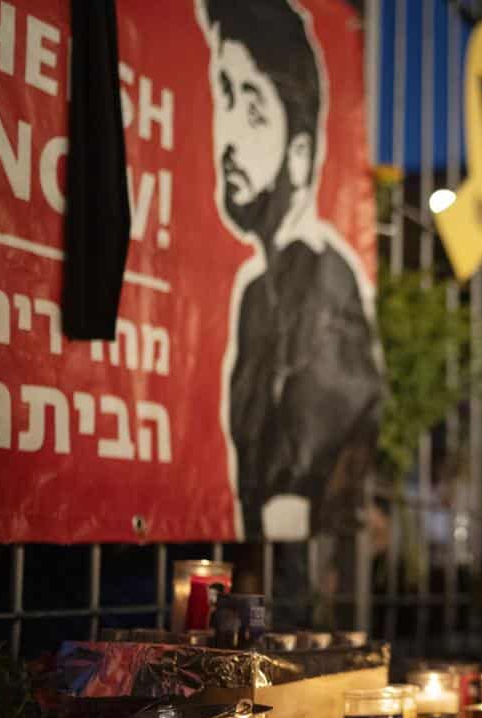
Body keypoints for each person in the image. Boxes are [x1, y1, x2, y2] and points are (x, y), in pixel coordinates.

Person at [199, 0, 381, 538]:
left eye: (252, 107)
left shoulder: (324, 287)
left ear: (300, 155)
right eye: (223, 95)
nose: (227, 137)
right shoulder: (261, 292)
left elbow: (290, 506)